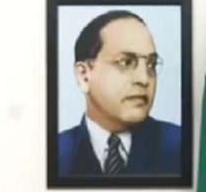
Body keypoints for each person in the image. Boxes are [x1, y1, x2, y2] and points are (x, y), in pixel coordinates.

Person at [58, 10, 181, 176]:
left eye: (151, 64)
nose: (144, 79)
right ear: (84, 76)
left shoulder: (179, 146)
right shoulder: (58, 153)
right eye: (126, 62)